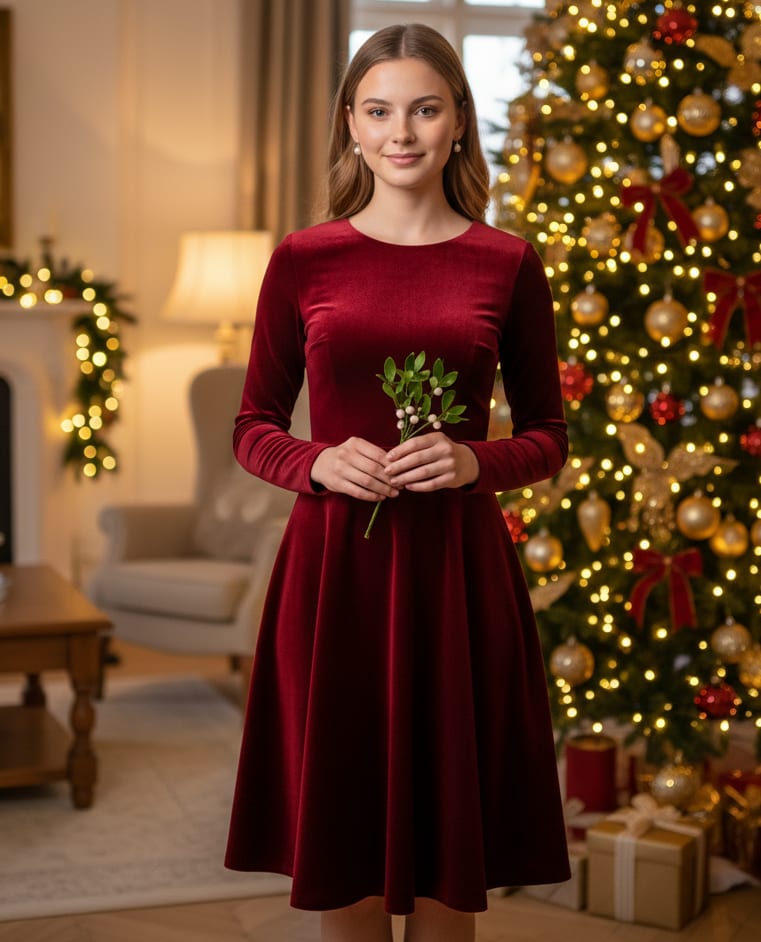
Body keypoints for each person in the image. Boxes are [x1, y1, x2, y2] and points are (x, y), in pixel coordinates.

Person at [225, 22, 571, 942]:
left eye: (424, 108)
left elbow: (548, 437)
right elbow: (252, 425)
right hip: (332, 579)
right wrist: (314, 461)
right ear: (349, 123)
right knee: (342, 859)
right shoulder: (304, 258)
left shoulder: (506, 262)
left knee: (449, 876)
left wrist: (472, 460)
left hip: (456, 583)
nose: (401, 132)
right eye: (378, 110)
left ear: (458, 120)